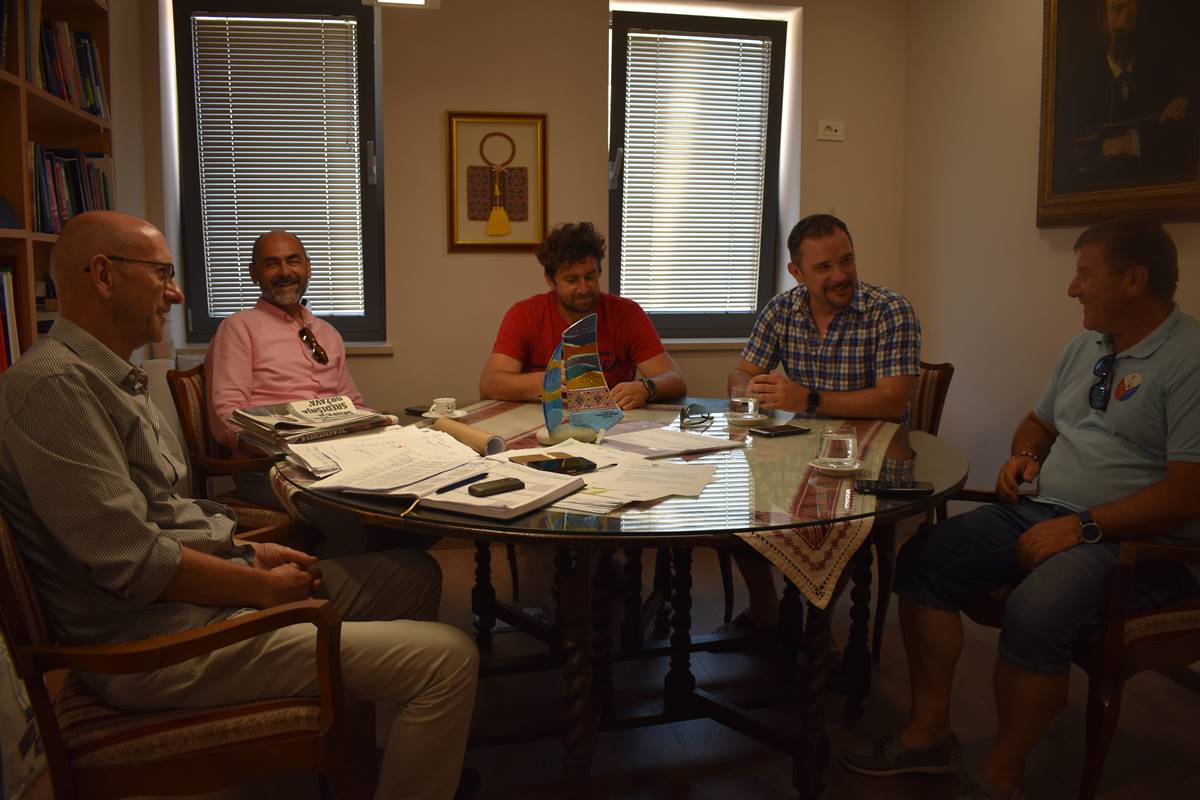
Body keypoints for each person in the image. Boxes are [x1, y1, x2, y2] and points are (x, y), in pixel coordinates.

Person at [0, 211, 478, 800]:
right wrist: (259, 586)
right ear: (103, 275)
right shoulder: (55, 386)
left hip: (199, 600)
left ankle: (385, 757)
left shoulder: (110, 376)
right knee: (449, 659)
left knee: (412, 574)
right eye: (163, 274)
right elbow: (135, 562)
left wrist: (248, 551)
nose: (177, 293)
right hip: (158, 644)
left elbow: (158, 521)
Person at [843, 220, 1200, 800]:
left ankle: (1000, 777)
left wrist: (1083, 527)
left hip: (1136, 544)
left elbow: (1187, 495)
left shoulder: (1190, 359)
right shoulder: (1086, 346)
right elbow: (1038, 422)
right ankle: (928, 736)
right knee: (925, 558)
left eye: (1085, 274)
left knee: (1037, 609)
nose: (1073, 288)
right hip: (1052, 512)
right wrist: (1025, 455)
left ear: (1134, 280)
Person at [727, 213, 921, 629]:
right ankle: (764, 606)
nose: (840, 275)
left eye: (847, 260)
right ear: (797, 273)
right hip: (799, 450)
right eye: (824, 267)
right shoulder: (782, 309)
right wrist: (749, 392)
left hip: (872, 456)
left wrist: (808, 399)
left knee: (844, 525)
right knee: (741, 510)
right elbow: (743, 372)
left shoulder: (890, 310)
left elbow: (893, 401)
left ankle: (818, 622)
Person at [479, 221, 686, 410]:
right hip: (544, 423)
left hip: (611, 425)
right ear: (551, 281)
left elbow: (676, 380)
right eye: (571, 280)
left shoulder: (627, 313)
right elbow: (489, 385)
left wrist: (646, 387)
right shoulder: (524, 314)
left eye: (590, 277)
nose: (584, 288)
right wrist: (546, 381)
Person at [1057, 0, 1199, 192]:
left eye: (1131, 14)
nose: (1124, 22)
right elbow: (1071, 153)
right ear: (1104, 20)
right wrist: (1153, 134)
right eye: (1117, 10)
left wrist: (1120, 144)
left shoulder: (1167, 78)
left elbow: (1183, 144)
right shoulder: (1078, 82)